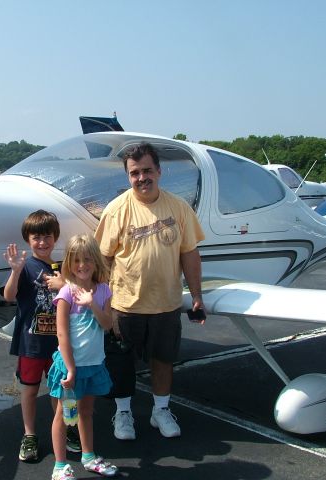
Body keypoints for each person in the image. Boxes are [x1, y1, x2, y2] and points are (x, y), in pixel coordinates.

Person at [94, 141, 205, 440]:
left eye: (146, 171)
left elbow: (190, 254)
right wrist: (102, 304)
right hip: (125, 306)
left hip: (166, 304)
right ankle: (123, 413)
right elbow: (102, 260)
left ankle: (161, 411)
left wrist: (196, 296)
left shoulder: (178, 207)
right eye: (134, 173)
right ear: (128, 176)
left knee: (163, 361)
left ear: (159, 171)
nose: (141, 178)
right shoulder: (116, 210)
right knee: (121, 365)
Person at [2, 210, 81, 462]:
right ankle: (29, 435)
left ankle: (65, 431)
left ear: (55, 238)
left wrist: (65, 285)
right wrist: (15, 271)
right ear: (28, 239)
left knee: (59, 391)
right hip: (31, 343)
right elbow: (9, 296)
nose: (43, 242)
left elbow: (76, 299)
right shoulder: (25, 268)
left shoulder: (63, 270)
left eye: (47, 237)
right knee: (29, 391)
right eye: (37, 237)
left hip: (58, 345)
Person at [46, 234, 119, 480]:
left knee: (86, 411)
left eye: (87, 259)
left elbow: (108, 324)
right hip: (70, 368)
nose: (82, 265)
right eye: (76, 260)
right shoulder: (66, 292)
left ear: (96, 261)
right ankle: (59, 466)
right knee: (64, 415)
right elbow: (62, 333)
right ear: (69, 263)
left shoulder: (104, 291)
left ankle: (88, 457)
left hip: (93, 365)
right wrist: (70, 368)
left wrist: (92, 305)